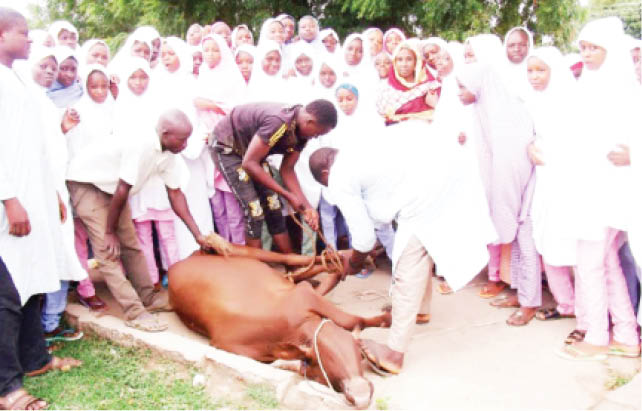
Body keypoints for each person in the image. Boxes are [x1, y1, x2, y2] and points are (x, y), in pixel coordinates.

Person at [308, 120, 496, 374]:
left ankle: (395, 354)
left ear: (325, 174)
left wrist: (353, 263)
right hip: (449, 168)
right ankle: (420, 310)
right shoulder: (355, 152)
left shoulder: (339, 176)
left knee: (408, 265)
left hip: (429, 187)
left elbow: (362, 237)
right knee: (421, 244)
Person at [0, 9, 82, 409]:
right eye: (22, 33)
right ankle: (7, 389)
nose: (30, 40)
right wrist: (9, 198)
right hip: (8, 204)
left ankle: (35, 359)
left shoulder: (15, 78)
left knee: (30, 282)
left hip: (32, 198)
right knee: (6, 294)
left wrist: (49, 194)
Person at [557, 17, 640, 360]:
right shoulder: (590, 86)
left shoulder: (624, 89)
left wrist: (633, 155)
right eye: (584, 48)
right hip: (590, 190)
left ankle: (596, 336)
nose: (587, 54)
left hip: (608, 193)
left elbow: (628, 141)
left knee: (591, 263)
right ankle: (624, 334)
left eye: (594, 48)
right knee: (604, 262)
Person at [457, 63, 540, 326]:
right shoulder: (485, 109)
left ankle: (530, 303)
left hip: (525, 186)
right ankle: (520, 293)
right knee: (514, 243)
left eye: (463, 86)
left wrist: (507, 206)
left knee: (525, 243)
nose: (459, 92)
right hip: (509, 187)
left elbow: (511, 162)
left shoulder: (505, 112)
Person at [208, 100, 337, 252]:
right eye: (317, 133)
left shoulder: (301, 132)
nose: (315, 137)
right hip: (228, 148)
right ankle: (257, 267)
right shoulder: (279, 122)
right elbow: (249, 163)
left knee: (273, 205)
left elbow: (287, 170)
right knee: (254, 210)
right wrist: (288, 195)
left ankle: (291, 265)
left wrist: (308, 208)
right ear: (310, 121)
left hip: (252, 155)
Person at [522, 47, 586, 341]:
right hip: (546, 178)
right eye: (530, 71)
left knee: (575, 249)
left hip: (568, 181)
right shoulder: (534, 100)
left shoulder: (571, 99)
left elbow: (577, 143)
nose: (534, 77)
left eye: (540, 70)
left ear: (554, 71)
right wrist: (532, 146)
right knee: (546, 238)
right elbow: (534, 134)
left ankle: (587, 315)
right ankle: (566, 303)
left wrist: (544, 151)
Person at [25, 46, 88, 344]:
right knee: (57, 252)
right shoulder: (27, 100)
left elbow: (49, 145)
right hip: (44, 190)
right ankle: (48, 321)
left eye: (54, 66)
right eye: (44, 65)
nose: (50, 71)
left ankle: (49, 320)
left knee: (58, 252)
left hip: (53, 186)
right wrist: (51, 193)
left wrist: (63, 128)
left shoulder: (42, 101)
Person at [117, 57, 181, 287]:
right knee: (142, 233)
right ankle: (151, 279)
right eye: (133, 77)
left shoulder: (159, 105)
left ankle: (176, 276)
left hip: (159, 178)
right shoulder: (120, 107)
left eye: (143, 77)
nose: (138, 82)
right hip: (136, 181)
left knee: (167, 232)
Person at [376, 39, 439, 125]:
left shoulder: (430, 86)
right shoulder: (385, 89)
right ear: (394, 63)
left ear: (416, 63)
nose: (404, 64)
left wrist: (435, 104)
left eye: (409, 59)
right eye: (400, 60)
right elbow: (380, 121)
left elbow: (442, 115)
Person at [503, 26, 533, 99]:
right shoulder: (497, 74)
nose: (516, 49)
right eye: (511, 45)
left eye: (522, 45)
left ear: (529, 46)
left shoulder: (537, 74)